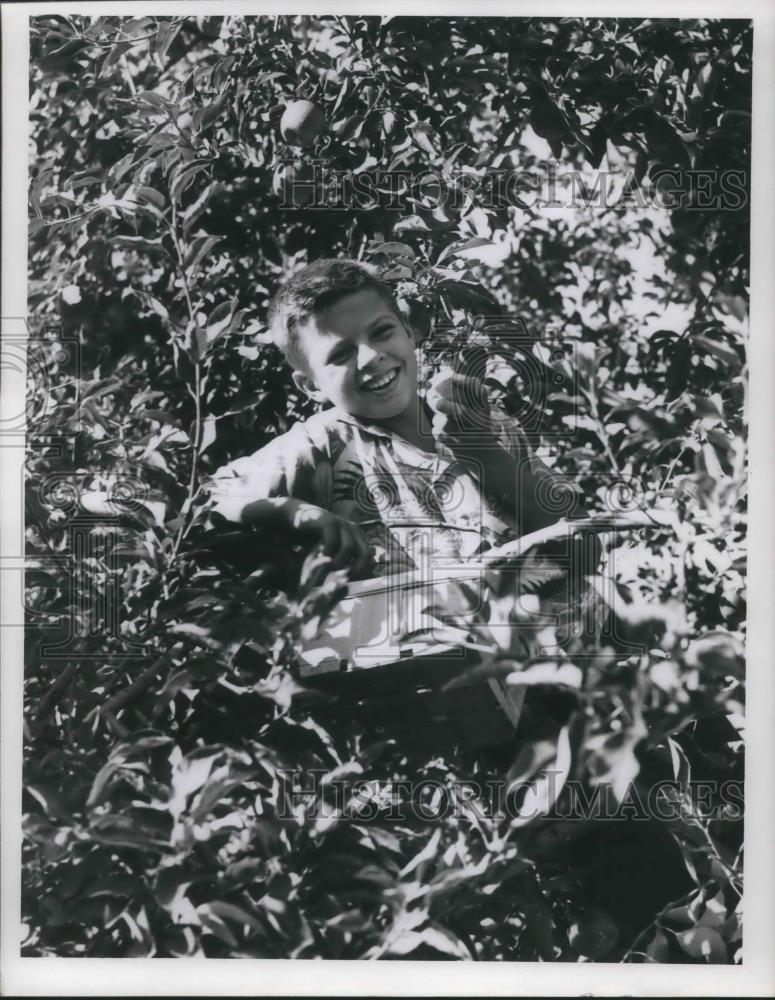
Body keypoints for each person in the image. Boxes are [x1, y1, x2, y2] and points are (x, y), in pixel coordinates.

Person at [207, 257, 589, 588]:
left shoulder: (488, 424)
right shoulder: (321, 443)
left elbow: (584, 550)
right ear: (309, 386)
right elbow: (203, 503)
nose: (371, 356)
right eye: (340, 354)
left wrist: (486, 454)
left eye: (382, 332)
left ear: (409, 331)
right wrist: (294, 512)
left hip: (556, 656)